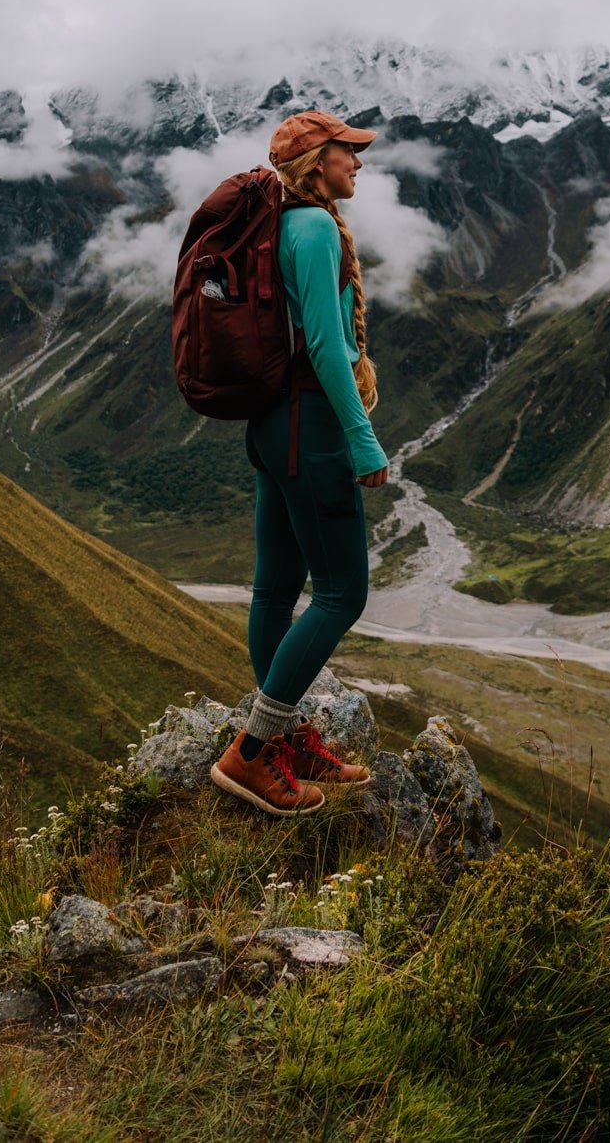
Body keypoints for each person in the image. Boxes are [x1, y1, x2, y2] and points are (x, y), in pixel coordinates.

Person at [210, 110, 390, 816]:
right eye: (350, 152)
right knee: (344, 592)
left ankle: (282, 739)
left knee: (276, 589)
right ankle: (252, 754)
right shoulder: (313, 229)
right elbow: (323, 342)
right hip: (310, 427)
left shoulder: (279, 225)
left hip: (271, 424)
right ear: (318, 162)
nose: (359, 164)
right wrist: (362, 438)